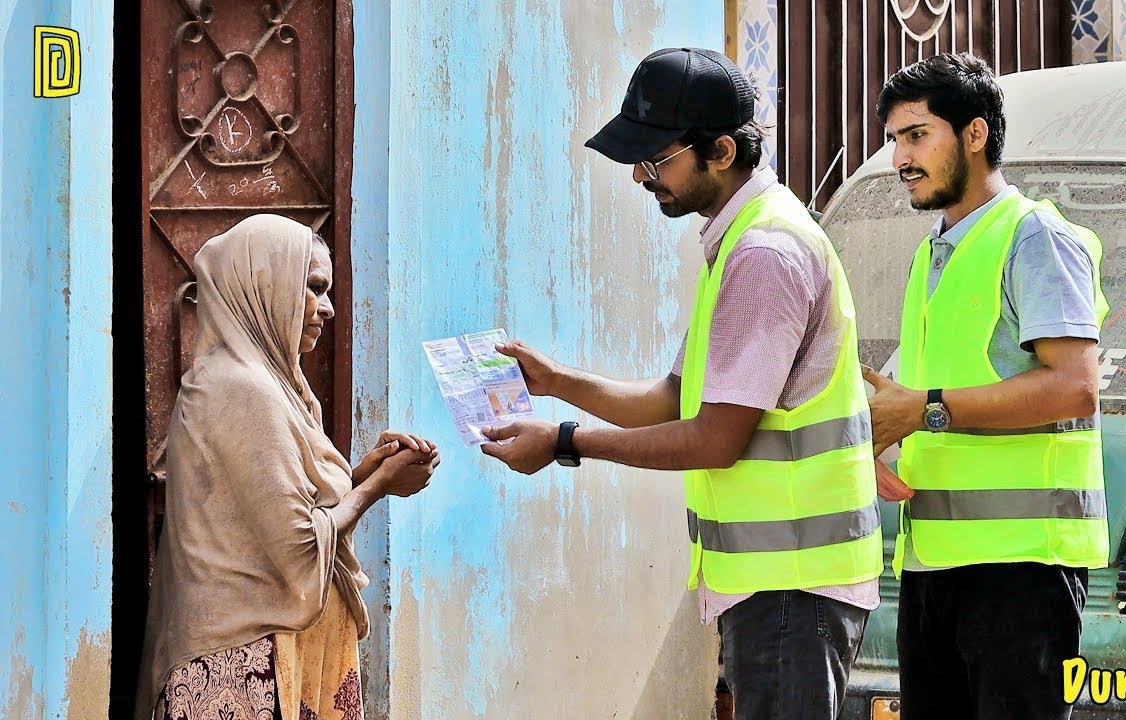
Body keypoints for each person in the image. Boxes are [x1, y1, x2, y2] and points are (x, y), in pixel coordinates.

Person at [479, 47, 884, 718]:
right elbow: (675, 399)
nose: (641, 177)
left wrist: (564, 442)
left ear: (721, 151)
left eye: (657, 159)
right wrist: (555, 382)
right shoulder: (739, 239)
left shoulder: (763, 253)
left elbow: (715, 437)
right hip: (776, 586)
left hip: (793, 587)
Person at [862, 53, 1109, 720]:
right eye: (893, 140)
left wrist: (924, 410)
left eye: (917, 135)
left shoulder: (1035, 236)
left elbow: (1074, 388)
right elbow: (934, 392)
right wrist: (883, 427)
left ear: (975, 134)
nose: (899, 158)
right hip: (931, 568)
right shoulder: (931, 254)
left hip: (1022, 574)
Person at [135, 214, 441, 720]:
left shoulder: (279, 388)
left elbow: (279, 511)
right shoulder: (238, 388)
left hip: (279, 657)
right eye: (315, 288)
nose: (329, 308)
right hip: (240, 668)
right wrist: (378, 487)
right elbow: (299, 546)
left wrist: (363, 473)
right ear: (264, 283)